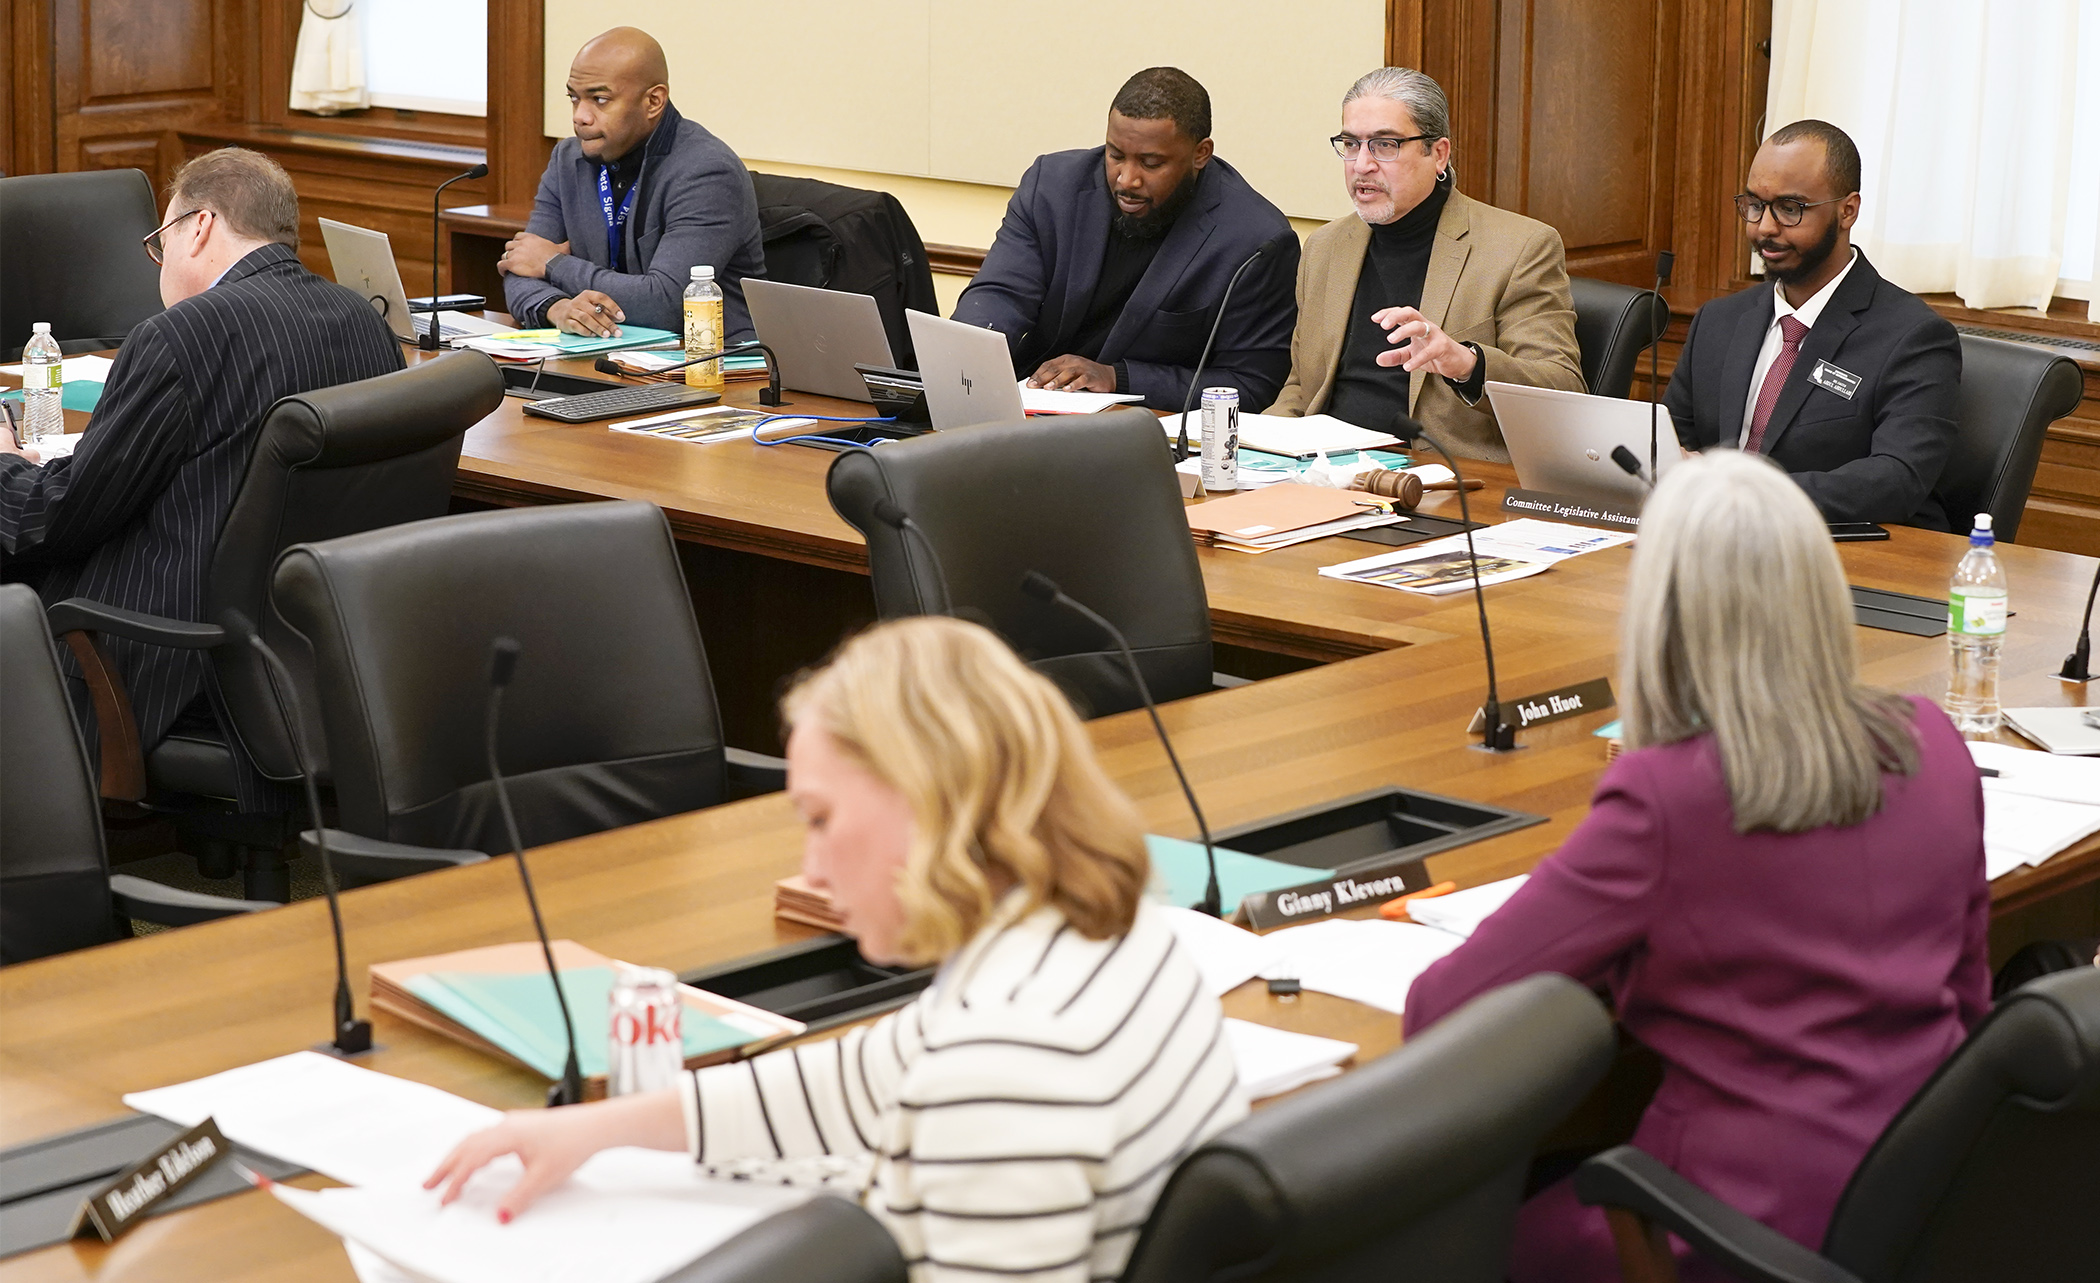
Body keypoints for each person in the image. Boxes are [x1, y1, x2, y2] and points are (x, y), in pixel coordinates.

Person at [426, 616, 1246, 1281]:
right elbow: (873, 1073)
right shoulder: (1105, 931)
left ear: (935, 804)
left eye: (821, 819)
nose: (811, 869)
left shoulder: (1007, 1061)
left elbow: (956, 1082)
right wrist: (605, 1126)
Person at [1405, 449, 1990, 1283]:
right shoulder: (1932, 738)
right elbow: (1971, 998)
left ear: (1662, 613)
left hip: (1718, 1227)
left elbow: (1441, 1011)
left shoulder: (1666, 795)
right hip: (1930, 1199)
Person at [0, 147, 402, 805]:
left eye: (161, 241)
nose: (157, 263)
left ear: (201, 225)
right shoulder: (364, 322)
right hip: (321, 653)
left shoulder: (181, 336)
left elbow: (63, 518)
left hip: (177, 659)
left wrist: (8, 466)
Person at [1266, 67, 1582, 461]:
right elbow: (1301, 388)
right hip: (1322, 473)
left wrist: (1467, 363)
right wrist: (1253, 451)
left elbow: (1564, 393)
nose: (1361, 164)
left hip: (1442, 481)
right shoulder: (1324, 247)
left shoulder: (1520, 248)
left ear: (1438, 154)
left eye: (1385, 145)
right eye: (1351, 143)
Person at [1664, 119, 1962, 529]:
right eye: (1754, 205)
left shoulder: (1914, 338)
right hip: (1709, 544)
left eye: (1790, 209)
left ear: (1847, 210)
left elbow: (1897, 479)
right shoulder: (1719, 321)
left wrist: (1742, 496)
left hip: (1831, 556)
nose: (1764, 228)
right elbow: (1670, 442)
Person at [952, 67, 1298, 411]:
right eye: (1115, 155)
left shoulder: (1255, 239)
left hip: (1144, 427)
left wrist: (1118, 377)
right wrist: (963, 359)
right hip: (1032, 405)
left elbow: (1252, 385)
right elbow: (1001, 294)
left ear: (1200, 154)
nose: (1126, 180)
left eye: (1150, 163)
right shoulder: (1053, 187)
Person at [500, 27, 765, 343]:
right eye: (574, 98)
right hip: (603, 352)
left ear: (654, 101)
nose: (580, 117)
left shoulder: (706, 172)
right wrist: (556, 307)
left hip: (701, 363)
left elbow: (668, 302)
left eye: (600, 99)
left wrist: (554, 264)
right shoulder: (566, 161)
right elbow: (519, 265)